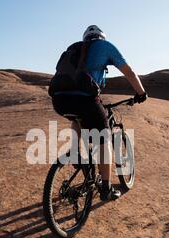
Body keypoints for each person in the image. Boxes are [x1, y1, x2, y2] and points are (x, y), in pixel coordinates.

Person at [51, 25, 148, 201]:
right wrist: (141, 93)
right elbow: (129, 72)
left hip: (59, 99)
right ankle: (106, 188)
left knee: (77, 117)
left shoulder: (75, 48)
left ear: (85, 38)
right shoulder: (105, 46)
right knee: (103, 138)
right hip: (85, 99)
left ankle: (75, 153)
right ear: (101, 37)